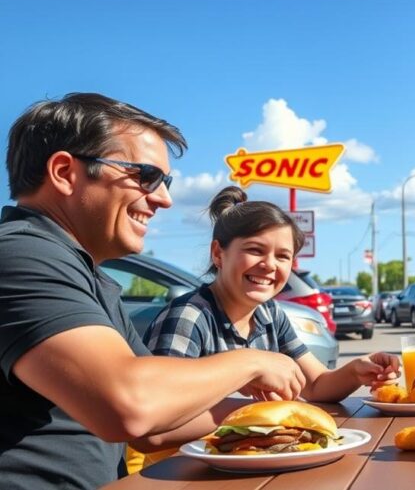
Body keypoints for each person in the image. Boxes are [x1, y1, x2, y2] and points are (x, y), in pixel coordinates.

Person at [0, 94, 307, 490]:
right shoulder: (20, 254)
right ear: (64, 172)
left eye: (166, 182)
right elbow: (129, 406)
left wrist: (282, 416)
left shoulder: (92, 280)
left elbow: (155, 428)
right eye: (145, 176)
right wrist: (251, 362)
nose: (163, 198)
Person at [145, 186, 401, 400]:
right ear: (217, 253)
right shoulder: (188, 317)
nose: (269, 264)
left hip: (250, 458)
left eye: (283, 256)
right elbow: (158, 414)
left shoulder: (269, 314)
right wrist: (257, 411)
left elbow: (316, 385)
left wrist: (356, 371)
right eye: (255, 250)